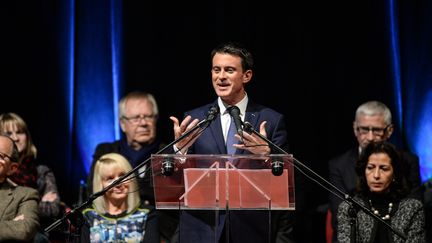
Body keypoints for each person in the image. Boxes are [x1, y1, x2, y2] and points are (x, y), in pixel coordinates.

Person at [169, 41, 295, 243]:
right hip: (202, 230)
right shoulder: (194, 119)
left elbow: (287, 182)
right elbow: (172, 181)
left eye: (229, 70)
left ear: (247, 76)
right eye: (216, 69)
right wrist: (179, 151)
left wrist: (268, 156)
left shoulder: (270, 120)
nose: (221, 77)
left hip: (252, 230)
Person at [87, 91, 177, 242]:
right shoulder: (106, 152)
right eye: (136, 118)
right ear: (122, 124)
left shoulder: (169, 153)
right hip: (110, 225)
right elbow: (94, 190)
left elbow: (168, 198)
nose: (143, 123)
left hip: (158, 230)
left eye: (148, 116)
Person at [328, 100, 422, 241]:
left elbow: (414, 211)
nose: (370, 137)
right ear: (355, 128)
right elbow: (340, 217)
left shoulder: (407, 161)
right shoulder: (338, 165)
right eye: (364, 129)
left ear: (389, 130)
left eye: (377, 130)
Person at [337, 141, 425, 242]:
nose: (376, 175)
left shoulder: (412, 208)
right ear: (363, 171)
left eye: (384, 168)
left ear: (394, 173)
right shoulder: (350, 208)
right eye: (370, 168)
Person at [0, 112, 62, 242]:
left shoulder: (41, 171)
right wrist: (13, 220)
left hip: (38, 230)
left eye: (20, 132)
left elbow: (54, 208)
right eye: (9, 133)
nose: (16, 138)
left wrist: (30, 207)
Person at [79, 153, 159, 243]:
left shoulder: (147, 214)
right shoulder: (89, 216)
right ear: (100, 184)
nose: (118, 183)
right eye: (110, 178)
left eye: (122, 176)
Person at [0, 134, 40, 241]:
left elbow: (24, 230)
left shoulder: (25, 195)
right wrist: (10, 225)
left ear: (12, 168)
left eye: (0, 156)